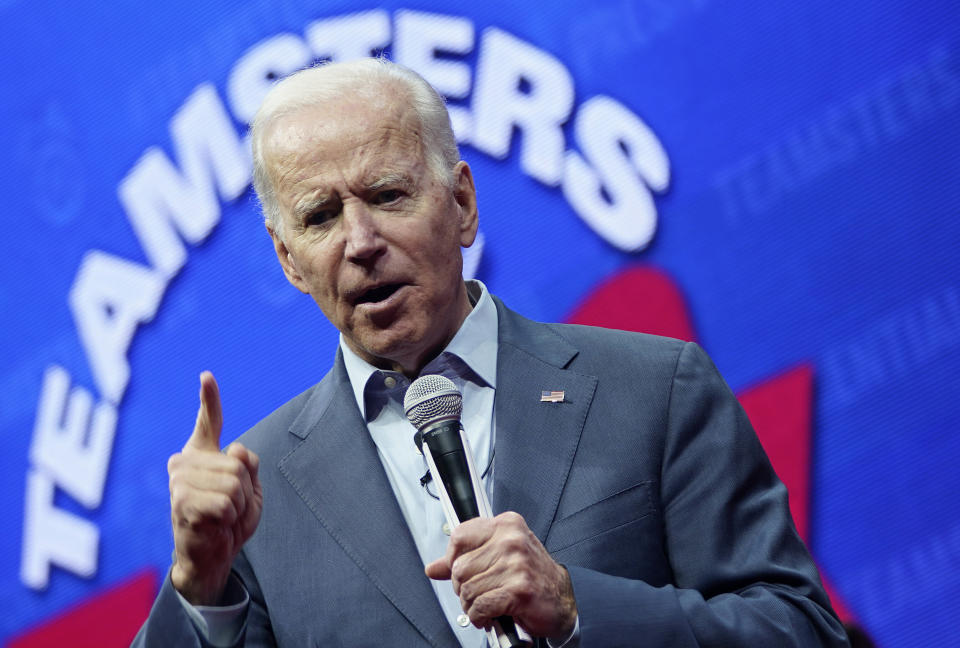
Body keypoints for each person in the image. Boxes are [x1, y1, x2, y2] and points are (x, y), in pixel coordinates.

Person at [134, 58, 850, 647]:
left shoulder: (656, 391)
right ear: (289, 262)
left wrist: (576, 609)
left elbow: (801, 632)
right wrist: (200, 591)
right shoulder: (262, 501)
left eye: (386, 195)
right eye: (320, 217)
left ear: (464, 204)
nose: (359, 242)